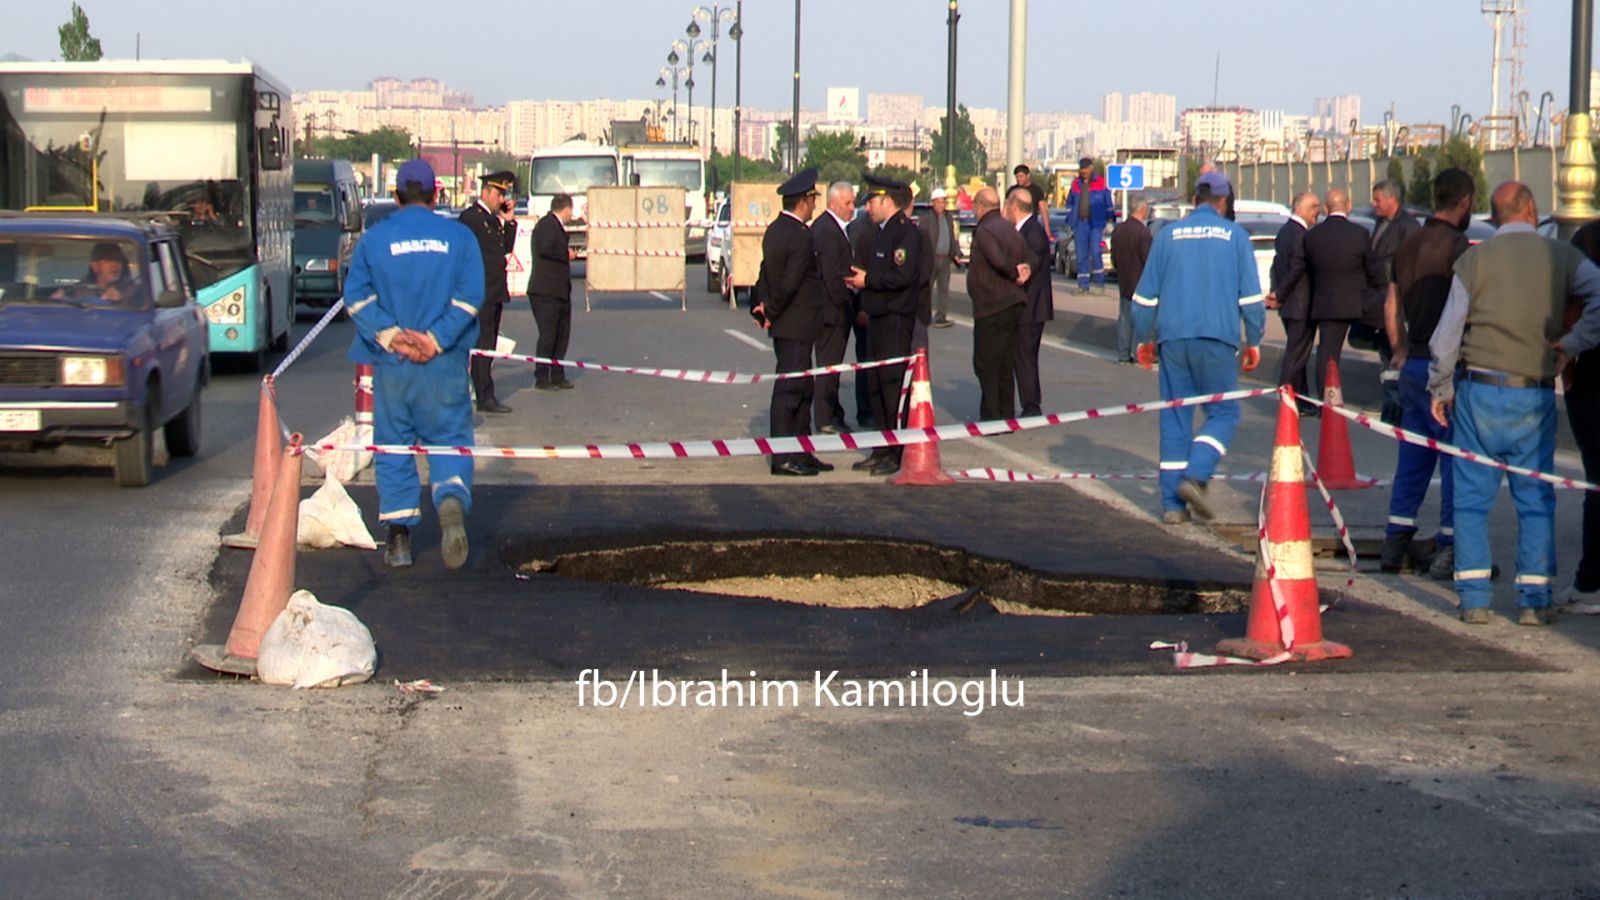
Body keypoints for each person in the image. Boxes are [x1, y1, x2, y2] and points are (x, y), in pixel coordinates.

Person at [1427, 181, 1600, 625]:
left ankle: (1474, 598)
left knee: (1469, 498)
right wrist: (1573, 343)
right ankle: (1533, 600)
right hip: (1534, 391)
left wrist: (1441, 387)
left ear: (1494, 215)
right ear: (1532, 208)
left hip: (1479, 389)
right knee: (1535, 497)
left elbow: (1448, 332)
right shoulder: (1560, 257)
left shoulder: (1474, 259)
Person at [344, 158, 484, 570]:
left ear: (396, 195)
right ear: (436, 195)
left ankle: (400, 540)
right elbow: (471, 296)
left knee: (394, 446)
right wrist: (436, 338)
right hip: (443, 365)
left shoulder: (375, 239)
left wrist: (393, 336)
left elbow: (356, 297)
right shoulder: (459, 238)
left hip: (394, 365)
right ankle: (451, 497)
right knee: (450, 437)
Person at [1132, 170, 1265, 525]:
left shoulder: (1167, 236)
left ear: (1194, 201)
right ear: (1224, 203)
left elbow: (1143, 299)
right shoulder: (1236, 237)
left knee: (1175, 418)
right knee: (1224, 414)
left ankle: (1172, 505)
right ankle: (1196, 475)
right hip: (1217, 339)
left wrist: (1144, 339)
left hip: (1173, 341)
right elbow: (1252, 300)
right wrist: (1254, 340)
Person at [1379, 168, 1476, 577]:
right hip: (1446, 370)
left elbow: (1390, 305)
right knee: (1454, 459)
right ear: (1466, 202)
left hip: (1412, 364)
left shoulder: (1409, 243)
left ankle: (1395, 542)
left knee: (1413, 458)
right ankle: (1451, 547)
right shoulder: (1459, 248)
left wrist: (1400, 347)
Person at [845, 172, 922, 476]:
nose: (868, 208)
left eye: (872, 202)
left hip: (894, 321)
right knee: (875, 387)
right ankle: (881, 447)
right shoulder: (881, 232)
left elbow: (902, 277)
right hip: (877, 320)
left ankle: (895, 451)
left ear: (887, 201)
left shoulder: (905, 234)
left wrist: (869, 280)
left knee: (891, 388)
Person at [755, 168, 827, 477]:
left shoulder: (774, 230)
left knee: (803, 388)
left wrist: (761, 306)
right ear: (803, 202)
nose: (814, 205)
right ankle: (783, 457)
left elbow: (764, 273)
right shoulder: (801, 236)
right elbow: (790, 282)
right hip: (795, 323)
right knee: (789, 391)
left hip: (791, 324)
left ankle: (802, 451)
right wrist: (771, 311)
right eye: (812, 199)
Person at [1304, 187, 1384, 399]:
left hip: (1327, 304)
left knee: (1328, 354)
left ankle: (1326, 400)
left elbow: (1308, 270)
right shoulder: (1359, 234)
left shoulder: (1313, 236)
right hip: (1359, 301)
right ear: (1348, 206)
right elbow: (1372, 270)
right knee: (1390, 331)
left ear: (1325, 208)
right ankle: (1392, 387)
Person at [966, 187, 1031, 420]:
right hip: (1011, 304)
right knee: (1004, 361)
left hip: (991, 305)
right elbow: (1027, 257)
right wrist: (1023, 270)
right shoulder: (1010, 229)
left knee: (985, 362)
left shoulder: (985, 231)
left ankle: (991, 415)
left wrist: (1013, 272)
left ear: (980, 206)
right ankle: (1006, 412)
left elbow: (997, 260)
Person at [460, 170, 519, 413]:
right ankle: (485, 395)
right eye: (498, 194)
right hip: (480, 292)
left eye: (503, 194)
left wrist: (510, 221)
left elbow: (504, 249)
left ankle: (484, 392)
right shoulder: (471, 218)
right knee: (482, 345)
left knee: (490, 344)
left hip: (494, 291)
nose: (501, 199)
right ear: (485, 192)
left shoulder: (494, 220)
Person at [1566, 214, 1600, 610]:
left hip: (1593, 376)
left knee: (1596, 481)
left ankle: (1591, 582)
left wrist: (1568, 363)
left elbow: (1571, 305)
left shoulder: (1589, 238)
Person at [1367, 179, 1420, 424]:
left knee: (1397, 355)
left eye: (1377, 199)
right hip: (1380, 299)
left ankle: (1397, 408)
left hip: (1399, 302)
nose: (1373, 204)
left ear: (1392, 200)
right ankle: (1390, 404)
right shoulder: (1381, 222)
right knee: (1386, 356)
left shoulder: (1407, 227)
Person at [1266, 192, 1322, 412]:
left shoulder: (1285, 231)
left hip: (1289, 304)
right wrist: (1279, 294)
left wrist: (1277, 292)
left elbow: (1276, 266)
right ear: (1300, 208)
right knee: (1296, 355)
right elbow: (1297, 268)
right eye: (1314, 206)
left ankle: (1303, 400)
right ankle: (1287, 395)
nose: (1318, 211)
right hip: (1299, 304)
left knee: (1298, 353)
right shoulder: (1300, 235)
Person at [811, 180, 856, 434]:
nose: (852, 208)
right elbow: (830, 275)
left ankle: (833, 412)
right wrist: (844, 301)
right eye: (847, 203)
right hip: (831, 311)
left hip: (834, 308)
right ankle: (825, 417)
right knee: (828, 366)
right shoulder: (827, 230)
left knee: (833, 366)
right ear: (833, 203)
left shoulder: (835, 228)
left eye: (852, 202)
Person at [529, 192, 576, 390]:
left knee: (561, 334)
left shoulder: (556, 226)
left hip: (559, 290)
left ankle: (557, 373)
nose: (572, 215)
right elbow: (545, 248)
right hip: (546, 291)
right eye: (571, 211)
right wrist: (564, 253)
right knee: (548, 335)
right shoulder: (547, 225)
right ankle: (542, 376)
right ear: (566, 209)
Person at [1013, 186, 1053, 416]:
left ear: (1015, 207)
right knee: (1024, 356)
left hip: (1032, 307)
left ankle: (1031, 404)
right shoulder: (1025, 230)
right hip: (1029, 306)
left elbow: (1030, 267)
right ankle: (1029, 400)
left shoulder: (1033, 233)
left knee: (1026, 356)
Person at [1109, 194, 1153, 365]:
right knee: (1143, 322)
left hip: (1124, 282)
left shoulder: (1118, 230)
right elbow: (1149, 261)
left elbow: (1113, 260)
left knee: (1125, 319)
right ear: (1142, 210)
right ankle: (1140, 354)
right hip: (1141, 284)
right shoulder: (1143, 233)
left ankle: (1123, 354)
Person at [1063, 157, 1115, 294]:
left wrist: (1110, 220)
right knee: (1081, 255)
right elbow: (1070, 204)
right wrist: (1070, 220)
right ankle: (1083, 286)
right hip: (1080, 224)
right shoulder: (1075, 184)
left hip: (1096, 223)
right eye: (1081, 168)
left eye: (1086, 168)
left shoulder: (1101, 183)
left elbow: (1108, 203)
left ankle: (1099, 284)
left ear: (1091, 168)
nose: (1083, 171)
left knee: (1096, 253)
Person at [919, 188, 960, 328]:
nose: (941, 205)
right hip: (931, 259)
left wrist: (956, 253)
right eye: (938, 202)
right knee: (927, 288)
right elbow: (921, 239)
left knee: (943, 289)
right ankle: (925, 315)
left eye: (943, 202)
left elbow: (952, 237)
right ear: (933, 203)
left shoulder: (948, 217)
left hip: (945, 258)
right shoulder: (926, 219)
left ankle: (941, 315)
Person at [56, 242, 139, 302]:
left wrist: (121, 298)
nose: (114, 265)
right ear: (95, 266)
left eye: (118, 260)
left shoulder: (134, 290)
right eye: (109, 260)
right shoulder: (77, 289)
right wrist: (59, 301)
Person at [1009, 164, 1051, 241]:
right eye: (1017, 177)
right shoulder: (1012, 190)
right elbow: (1006, 209)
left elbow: (1044, 210)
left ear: (1028, 176)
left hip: (1031, 226)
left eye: (1021, 176)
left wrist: (1047, 232)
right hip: (1014, 227)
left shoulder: (1036, 190)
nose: (1018, 179)